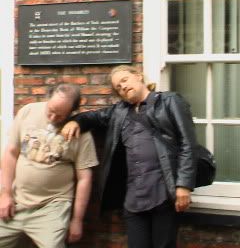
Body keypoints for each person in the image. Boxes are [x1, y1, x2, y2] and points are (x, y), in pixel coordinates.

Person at [61, 65, 197, 248]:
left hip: (164, 195)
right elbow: (93, 117)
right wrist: (75, 121)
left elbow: (187, 143)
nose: (122, 87)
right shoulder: (119, 112)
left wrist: (184, 186)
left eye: (124, 80)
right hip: (134, 200)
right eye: (118, 87)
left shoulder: (169, 101)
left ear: (138, 76)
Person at [0, 83, 98, 248]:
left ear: (72, 112)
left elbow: (84, 179)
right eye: (50, 111)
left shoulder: (81, 133)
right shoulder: (28, 112)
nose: (53, 118)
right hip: (17, 200)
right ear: (47, 99)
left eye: (60, 116)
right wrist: (5, 193)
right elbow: (11, 153)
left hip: (52, 206)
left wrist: (77, 220)